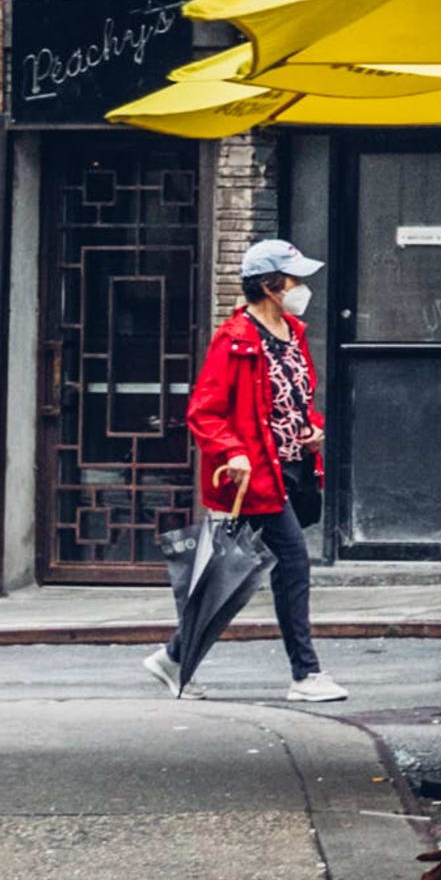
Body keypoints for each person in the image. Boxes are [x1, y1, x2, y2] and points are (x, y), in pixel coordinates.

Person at [152, 236, 344, 705]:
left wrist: (313, 430)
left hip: (290, 471)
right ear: (270, 284)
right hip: (253, 478)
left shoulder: (293, 332)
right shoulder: (235, 338)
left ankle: (175, 657)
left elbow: (298, 399)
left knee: (228, 573)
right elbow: (204, 410)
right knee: (289, 563)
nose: (301, 286)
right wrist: (232, 452)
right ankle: (305, 672)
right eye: (293, 278)